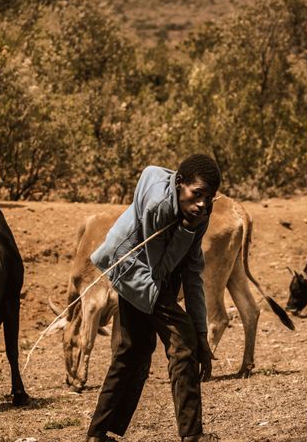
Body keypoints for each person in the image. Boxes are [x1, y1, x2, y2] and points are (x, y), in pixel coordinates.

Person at [87, 154, 221, 442]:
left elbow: (192, 272)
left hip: (157, 271)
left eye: (209, 198)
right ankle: (192, 435)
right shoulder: (159, 206)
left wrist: (202, 332)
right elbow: (157, 267)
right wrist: (187, 228)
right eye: (197, 195)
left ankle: (96, 435)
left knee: (132, 350)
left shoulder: (199, 213)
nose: (202, 204)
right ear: (179, 183)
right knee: (181, 341)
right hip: (132, 266)